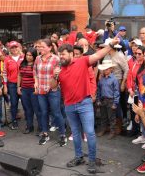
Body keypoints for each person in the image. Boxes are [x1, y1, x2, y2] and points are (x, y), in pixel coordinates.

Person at [50, 37, 120, 174]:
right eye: (59, 54)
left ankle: (92, 161)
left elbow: (98, 54)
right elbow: (52, 87)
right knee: (76, 133)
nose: (61, 57)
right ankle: (78, 157)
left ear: (71, 54)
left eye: (63, 54)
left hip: (84, 103)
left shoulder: (82, 61)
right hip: (69, 106)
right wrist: (54, 76)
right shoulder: (58, 69)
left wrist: (111, 44)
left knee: (89, 132)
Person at [33, 39, 66, 146]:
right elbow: (35, 72)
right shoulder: (37, 58)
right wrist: (36, 83)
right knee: (43, 113)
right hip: (41, 90)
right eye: (38, 47)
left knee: (56, 113)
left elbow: (59, 75)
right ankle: (45, 134)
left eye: (42, 47)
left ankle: (62, 135)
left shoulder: (56, 59)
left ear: (49, 48)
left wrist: (55, 79)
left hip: (53, 90)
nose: (39, 49)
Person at [17, 47, 42, 134]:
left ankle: (41, 127)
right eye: (27, 55)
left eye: (30, 55)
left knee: (36, 109)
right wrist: (18, 87)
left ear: (34, 56)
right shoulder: (22, 63)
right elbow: (19, 75)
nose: (28, 57)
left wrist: (37, 88)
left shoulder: (36, 64)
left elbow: (38, 77)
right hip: (24, 89)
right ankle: (29, 126)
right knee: (27, 109)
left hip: (33, 89)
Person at [96, 60, 120, 139]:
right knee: (103, 116)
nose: (105, 70)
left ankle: (112, 131)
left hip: (111, 100)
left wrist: (115, 103)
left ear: (111, 69)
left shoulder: (114, 79)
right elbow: (99, 89)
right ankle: (103, 129)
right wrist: (98, 99)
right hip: (103, 100)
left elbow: (116, 91)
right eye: (104, 69)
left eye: (107, 69)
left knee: (111, 117)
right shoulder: (101, 79)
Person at [3, 41, 24, 130]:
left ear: (19, 47)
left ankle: (29, 122)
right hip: (12, 84)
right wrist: (5, 85)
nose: (14, 49)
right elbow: (4, 73)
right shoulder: (7, 59)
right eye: (12, 47)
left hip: (24, 84)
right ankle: (14, 121)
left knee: (26, 103)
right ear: (9, 49)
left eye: (16, 47)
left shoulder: (24, 57)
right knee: (14, 103)